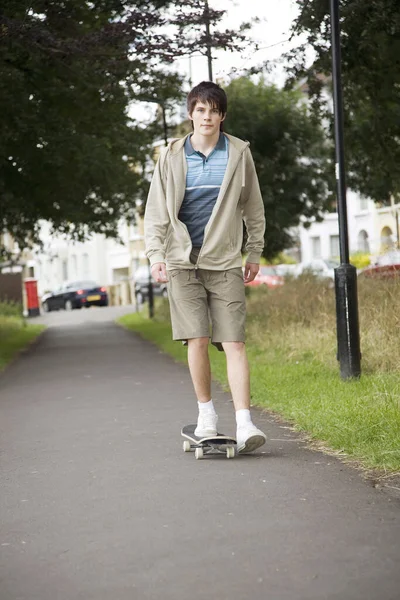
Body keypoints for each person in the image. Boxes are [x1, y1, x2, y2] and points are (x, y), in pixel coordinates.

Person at [144, 81, 267, 453]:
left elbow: (253, 207)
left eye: (214, 111)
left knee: (234, 342)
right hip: (181, 261)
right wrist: (155, 256)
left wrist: (255, 252)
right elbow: (155, 212)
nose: (207, 117)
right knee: (196, 338)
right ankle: (207, 416)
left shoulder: (238, 153)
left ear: (222, 116)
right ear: (190, 114)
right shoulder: (170, 155)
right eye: (201, 110)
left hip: (225, 259)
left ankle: (245, 423)